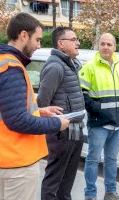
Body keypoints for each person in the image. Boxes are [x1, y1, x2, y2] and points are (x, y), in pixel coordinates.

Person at [0, 13, 69, 200]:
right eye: (37, 39)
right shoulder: (12, 68)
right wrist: (57, 124)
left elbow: (7, 111)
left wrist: (39, 112)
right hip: (16, 165)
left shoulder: (3, 63)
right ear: (24, 35)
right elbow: (17, 121)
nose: (39, 45)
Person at [79, 33, 119, 200]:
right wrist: (98, 110)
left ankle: (110, 192)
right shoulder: (89, 67)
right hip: (99, 124)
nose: (106, 47)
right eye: (103, 44)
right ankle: (90, 195)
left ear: (115, 47)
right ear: (98, 45)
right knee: (93, 160)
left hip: (118, 124)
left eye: (109, 44)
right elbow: (82, 94)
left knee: (112, 160)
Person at [38, 27, 85, 200]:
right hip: (61, 132)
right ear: (61, 44)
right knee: (54, 180)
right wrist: (56, 122)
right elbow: (42, 103)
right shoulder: (55, 66)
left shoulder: (69, 65)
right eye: (73, 39)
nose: (78, 43)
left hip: (75, 130)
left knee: (67, 180)